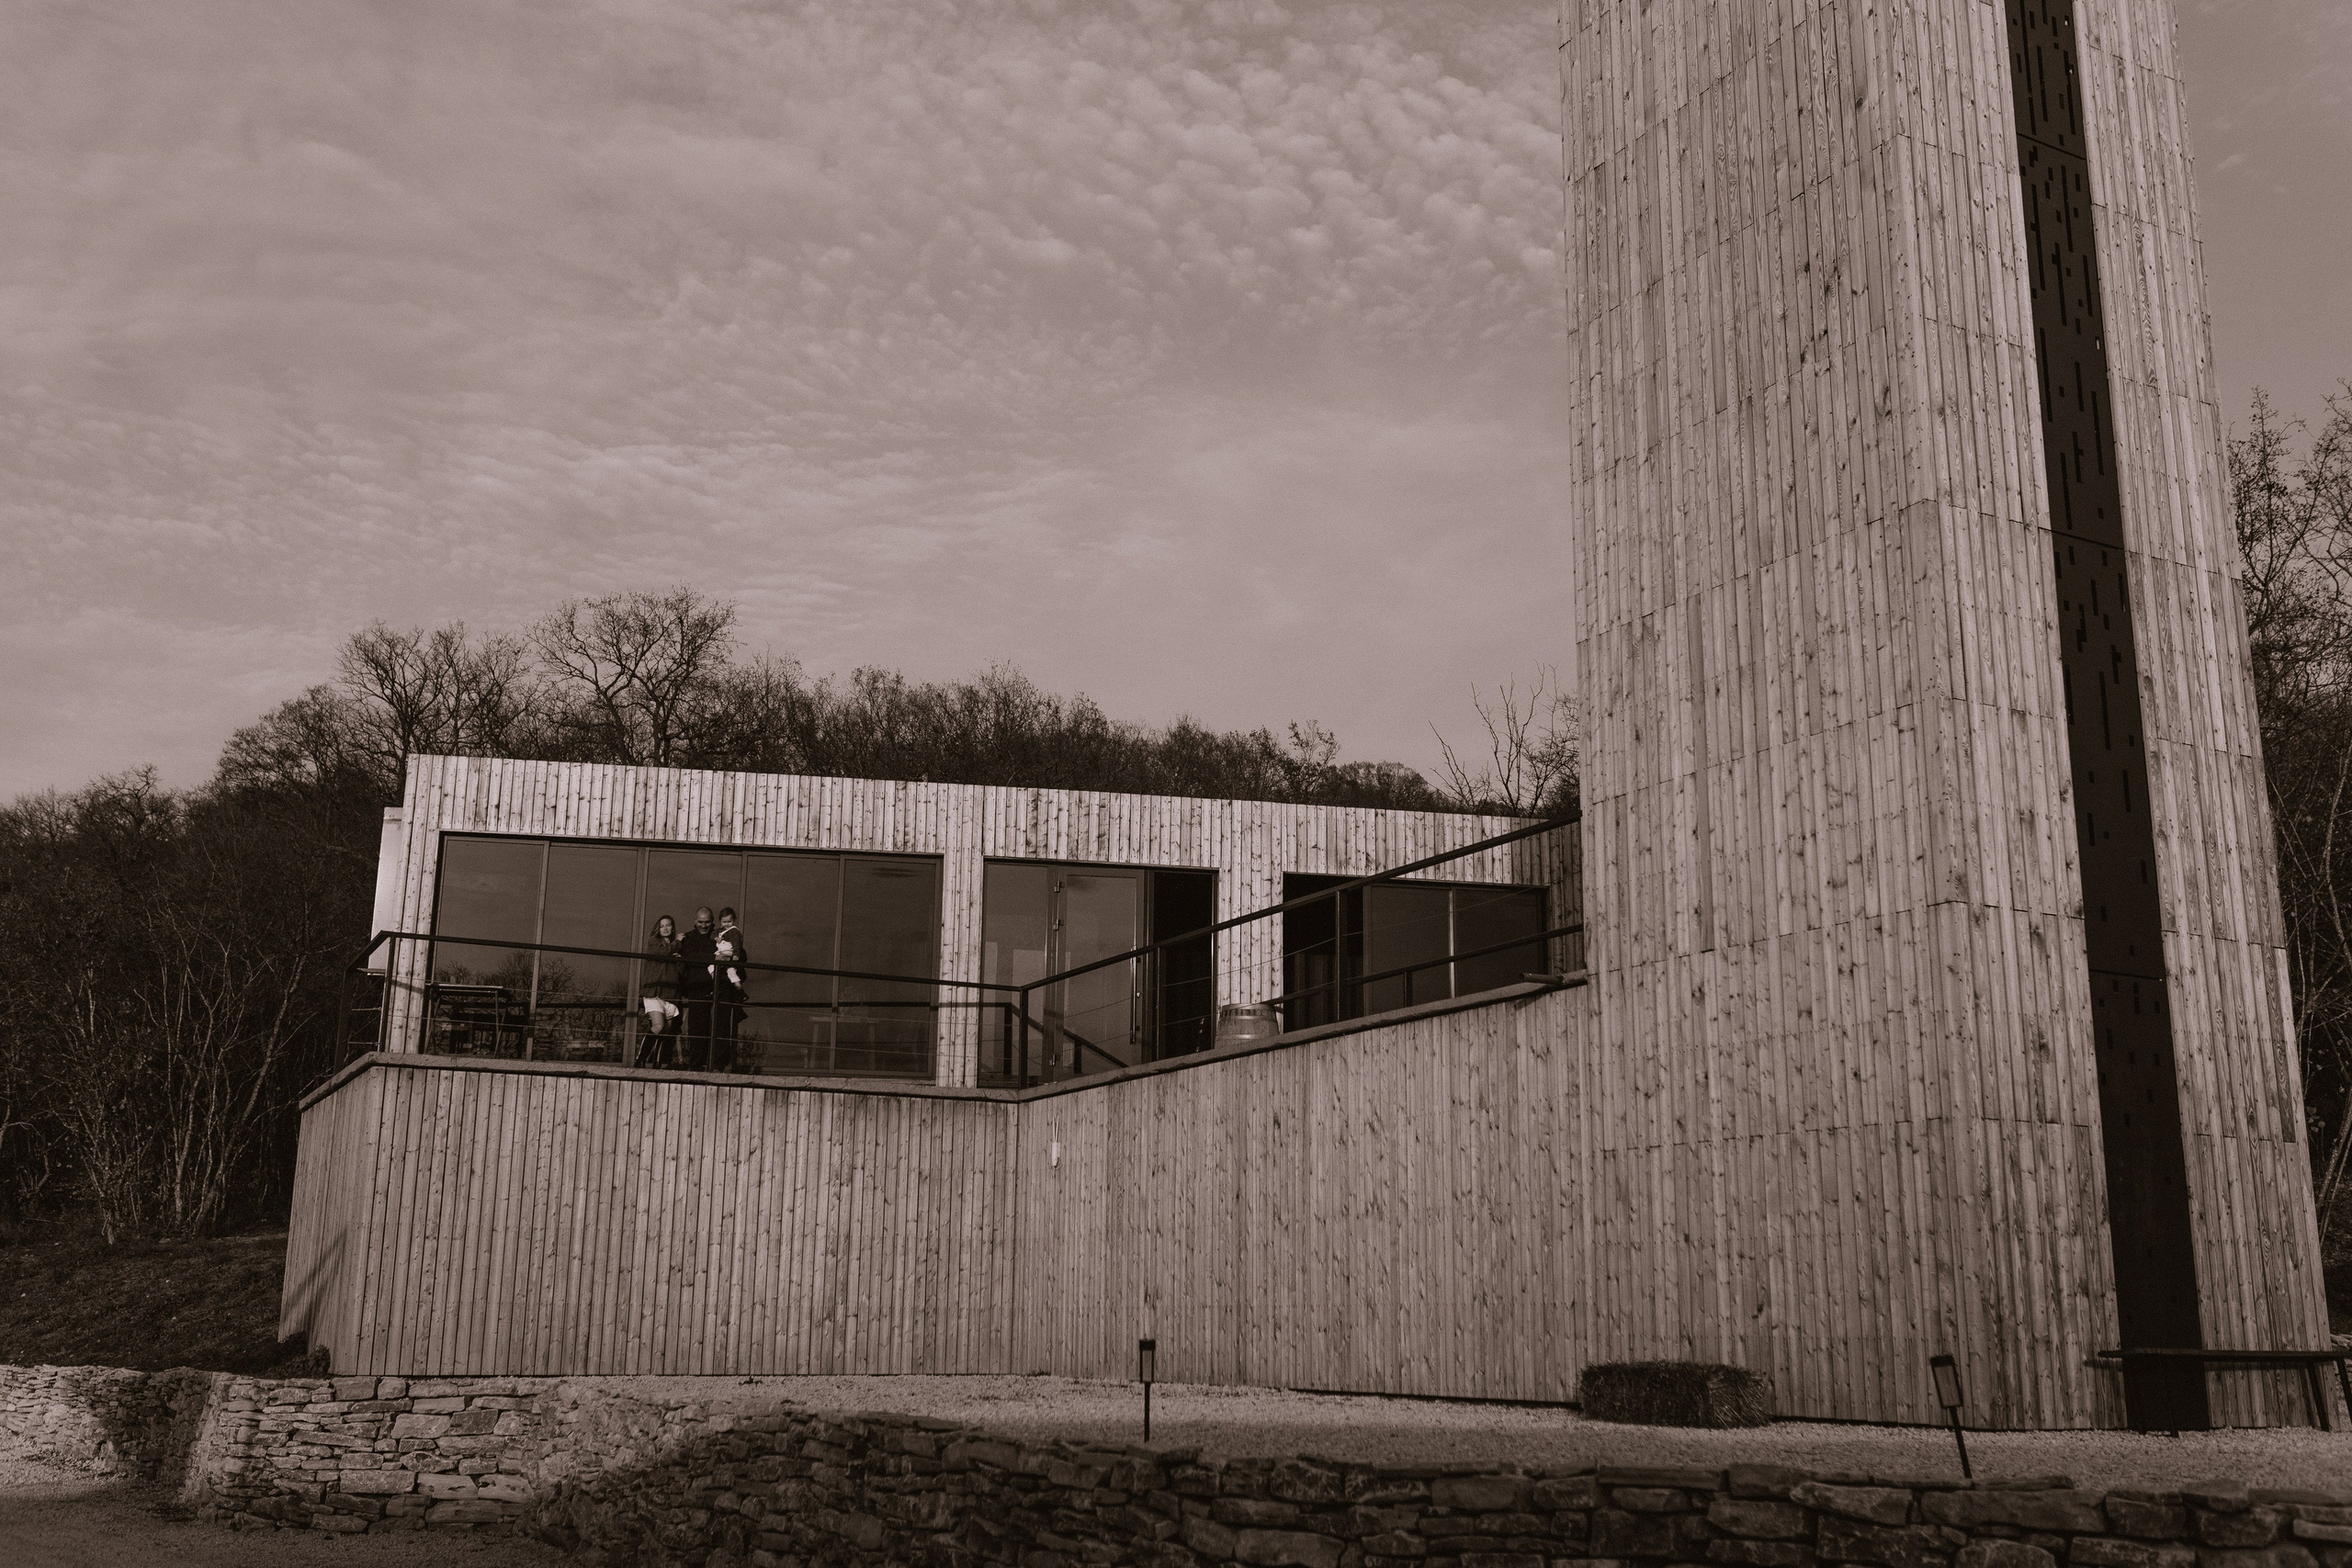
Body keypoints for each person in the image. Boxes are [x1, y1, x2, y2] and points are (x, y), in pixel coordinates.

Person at [674, 907, 719, 1070]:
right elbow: (685, 958)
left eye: (707, 922)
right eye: (700, 922)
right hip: (696, 989)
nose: (703, 925)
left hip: (715, 988)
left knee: (716, 1027)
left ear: (712, 922)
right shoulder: (688, 938)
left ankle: (715, 1063)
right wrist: (713, 958)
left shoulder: (718, 937)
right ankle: (696, 1064)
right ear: (695, 921)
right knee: (696, 1027)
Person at [638, 915, 683, 1066]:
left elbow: (681, 972)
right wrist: (677, 943)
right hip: (655, 993)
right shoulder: (654, 942)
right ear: (658, 928)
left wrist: (679, 958)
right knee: (658, 1026)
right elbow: (663, 953)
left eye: (668, 925)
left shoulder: (676, 948)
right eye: (662, 925)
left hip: (671, 994)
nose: (665, 928)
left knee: (667, 1031)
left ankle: (657, 1063)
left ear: (672, 927)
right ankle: (640, 1059)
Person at [712, 907, 750, 1073]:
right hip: (721, 978)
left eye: (729, 921)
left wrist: (733, 956)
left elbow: (737, 947)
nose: (727, 924)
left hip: (726, 988)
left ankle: (724, 1062)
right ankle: (719, 1061)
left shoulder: (734, 932)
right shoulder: (721, 931)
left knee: (731, 970)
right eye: (724, 922)